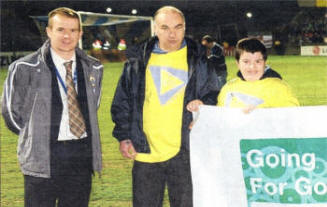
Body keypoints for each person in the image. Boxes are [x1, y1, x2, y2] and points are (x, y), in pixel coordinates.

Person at [111, 6, 219, 207]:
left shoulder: (199, 60)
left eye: (178, 27)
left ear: (185, 28)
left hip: (185, 151)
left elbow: (214, 95)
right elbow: (122, 100)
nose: (172, 34)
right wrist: (124, 136)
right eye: (165, 27)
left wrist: (204, 104)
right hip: (145, 150)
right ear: (155, 29)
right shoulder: (137, 61)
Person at [1, 7, 103, 207]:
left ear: (80, 33)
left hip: (80, 155)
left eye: (73, 30)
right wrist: (33, 135)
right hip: (43, 155)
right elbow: (10, 113)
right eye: (61, 29)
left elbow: (93, 106)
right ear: (48, 31)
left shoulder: (94, 67)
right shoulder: (24, 67)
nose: (67, 36)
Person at [187, 37, 299, 114]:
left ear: (265, 63)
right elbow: (219, 119)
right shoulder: (229, 88)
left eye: (258, 62)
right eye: (246, 62)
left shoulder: (279, 88)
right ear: (237, 63)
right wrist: (201, 109)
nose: (252, 67)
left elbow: (293, 118)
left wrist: (263, 116)